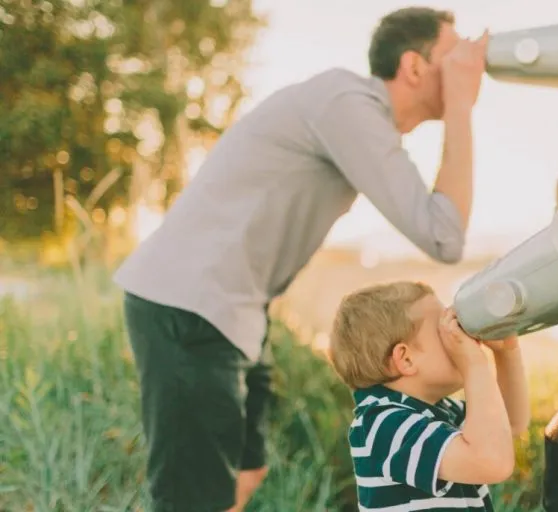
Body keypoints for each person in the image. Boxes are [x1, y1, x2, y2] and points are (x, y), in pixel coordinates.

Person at [114, 6, 488, 512]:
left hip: (238, 312)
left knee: (245, 472)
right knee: (192, 499)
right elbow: (444, 237)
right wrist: (461, 106)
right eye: (454, 54)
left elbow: (442, 229)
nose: (468, 65)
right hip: (189, 305)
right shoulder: (347, 102)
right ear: (414, 66)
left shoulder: (360, 120)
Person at [328, 281, 530, 511]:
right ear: (406, 359)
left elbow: (511, 423)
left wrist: (506, 353)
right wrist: (474, 365)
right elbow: (492, 462)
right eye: (443, 330)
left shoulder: (441, 409)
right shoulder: (383, 424)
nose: (459, 334)